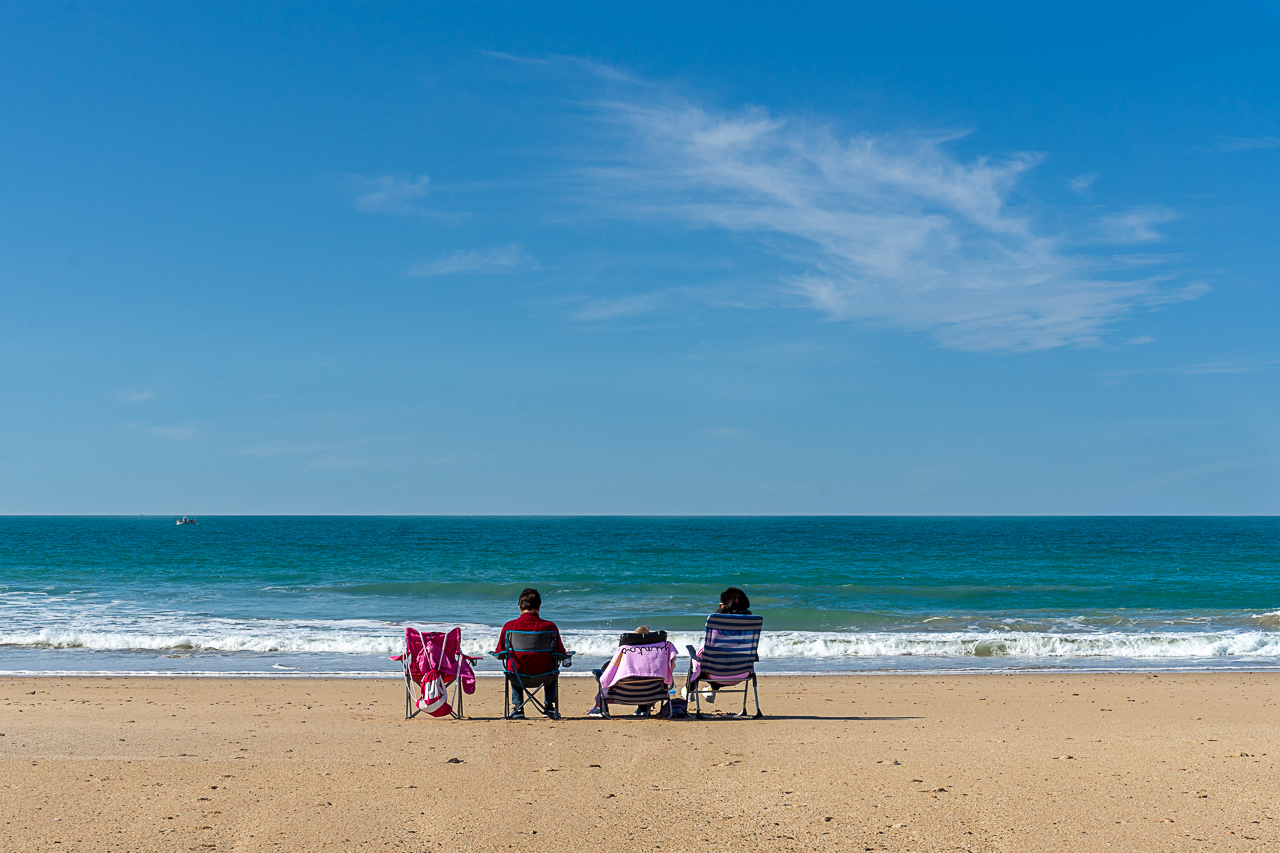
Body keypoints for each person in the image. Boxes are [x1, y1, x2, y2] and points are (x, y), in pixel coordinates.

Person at [494, 588, 569, 719]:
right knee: (553, 666)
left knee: (514, 667)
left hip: (517, 676)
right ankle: (550, 707)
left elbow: (500, 652)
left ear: (519, 607)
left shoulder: (509, 627)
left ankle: (518, 708)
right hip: (545, 675)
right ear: (539, 606)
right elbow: (560, 652)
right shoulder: (550, 627)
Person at [588, 625, 679, 718]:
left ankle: (602, 708)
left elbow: (605, 680)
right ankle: (643, 708)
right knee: (649, 678)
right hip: (652, 695)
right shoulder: (661, 655)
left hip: (621, 695)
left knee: (606, 671)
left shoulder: (624, 651)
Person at [682, 587, 752, 704]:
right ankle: (711, 690)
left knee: (697, 657)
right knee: (725, 659)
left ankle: (690, 690)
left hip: (714, 674)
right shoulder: (751, 622)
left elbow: (702, 653)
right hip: (742, 673)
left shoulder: (717, 622)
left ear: (724, 605)